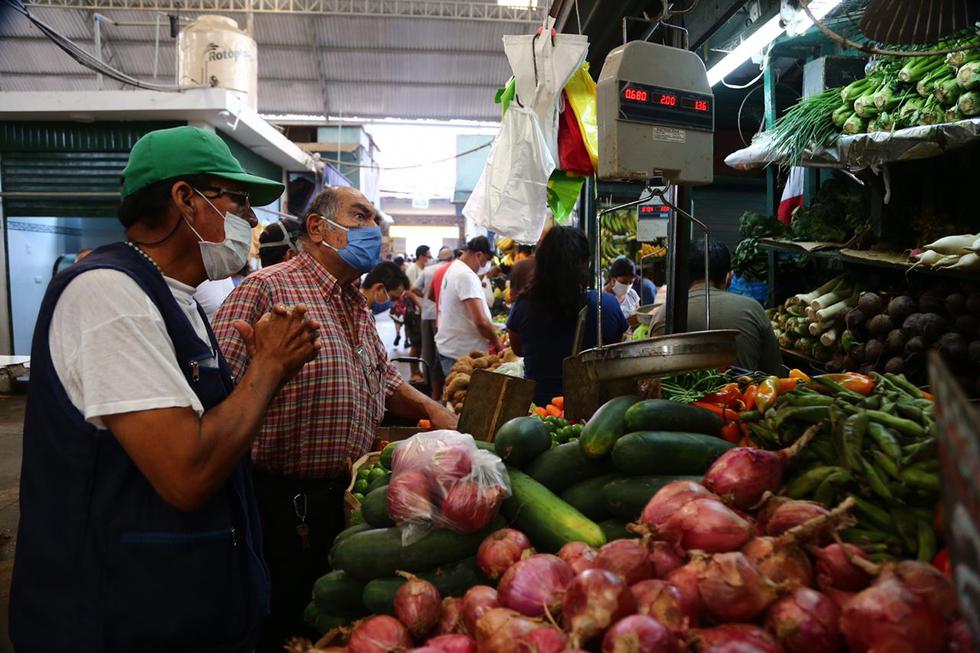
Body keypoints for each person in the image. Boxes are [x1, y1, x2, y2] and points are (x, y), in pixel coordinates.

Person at [10, 125, 321, 651]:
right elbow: (188, 472)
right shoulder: (109, 297)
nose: (250, 220)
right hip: (116, 618)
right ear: (186, 199)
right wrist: (267, 369)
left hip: (178, 607)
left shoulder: (180, 301)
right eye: (239, 200)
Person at [212, 186, 458, 650]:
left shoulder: (354, 303)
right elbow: (218, 397)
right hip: (278, 504)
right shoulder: (266, 290)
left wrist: (430, 407)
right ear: (318, 228)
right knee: (285, 623)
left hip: (340, 502)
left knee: (330, 623)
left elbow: (382, 378)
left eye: (375, 222)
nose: (374, 231)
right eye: (360, 217)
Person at [507, 226, 630, 406]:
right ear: (586, 263)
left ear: (540, 262)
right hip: (595, 413)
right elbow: (615, 349)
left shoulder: (524, 305)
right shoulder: (606, 305)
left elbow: (518, 350)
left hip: (540, 413)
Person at [651, 240, 783, 374]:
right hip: (742, 393)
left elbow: (652, 375)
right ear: (729, 277)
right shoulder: (752, 309)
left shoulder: (664, 314)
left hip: (678, 395)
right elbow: (775, 373)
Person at [435, 236, 502, 376]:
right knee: (466, 396)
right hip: (462, 355)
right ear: (479, 255)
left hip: (452, 349)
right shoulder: (466, 275)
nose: (485, 267)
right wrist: (497, 342)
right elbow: (480, 321)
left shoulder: (454, 268)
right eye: (486, 262)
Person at [415, 246, 453, 400]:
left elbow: (414, 289)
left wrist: (423, 300)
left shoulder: (429, 270)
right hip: (442, 316)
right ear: (451, 258)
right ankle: (444, 389)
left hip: (426, 314)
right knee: (442, 352)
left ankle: (429, 386)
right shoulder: (451, 270)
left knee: (428, 352)